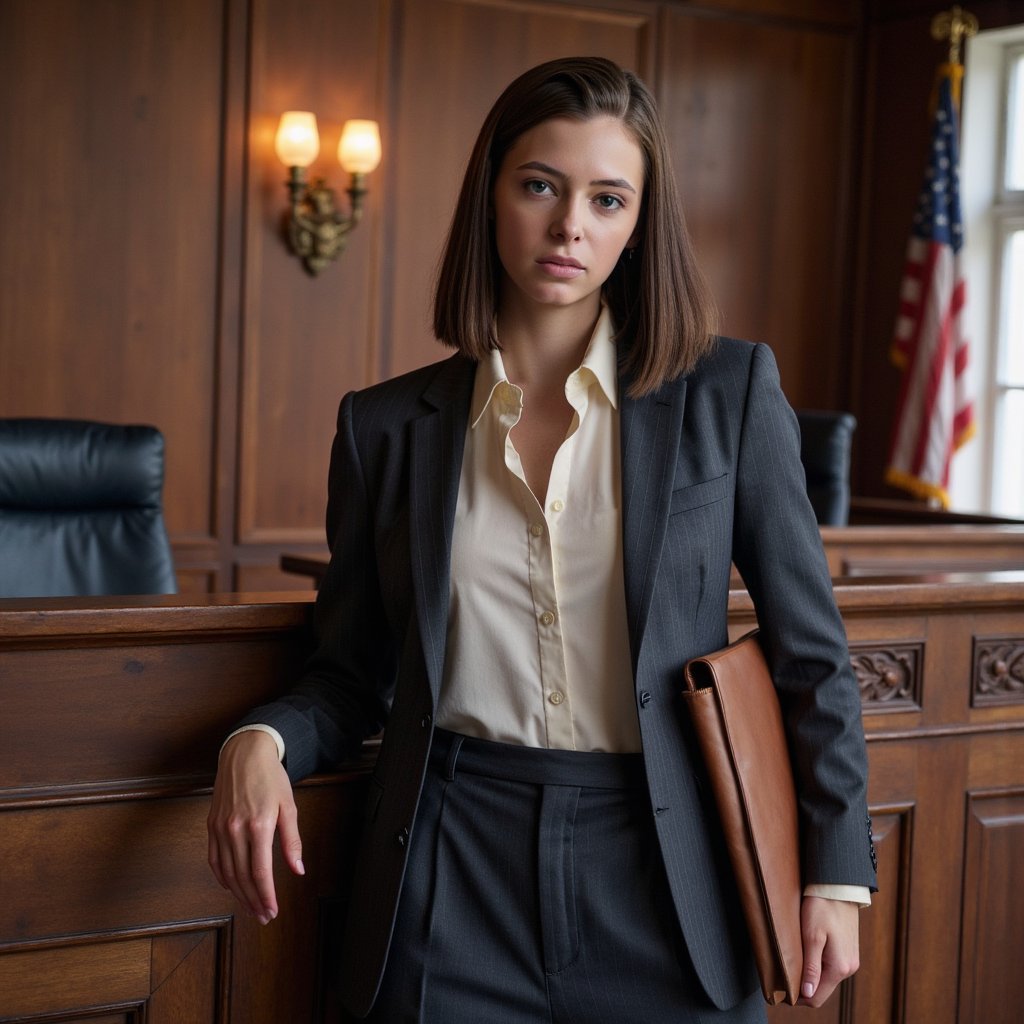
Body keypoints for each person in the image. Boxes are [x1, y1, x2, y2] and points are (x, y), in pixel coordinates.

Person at [208, 56, 877, 1022]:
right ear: (492, 198)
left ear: (639, 227)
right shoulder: (383, 428)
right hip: (450, 867)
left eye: (609, 199)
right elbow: (353, 671)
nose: (571, 225)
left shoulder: (726, 396)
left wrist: (836, 874)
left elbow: (813, 655)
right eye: (541, 187)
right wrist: (260, 739)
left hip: (669, 864)